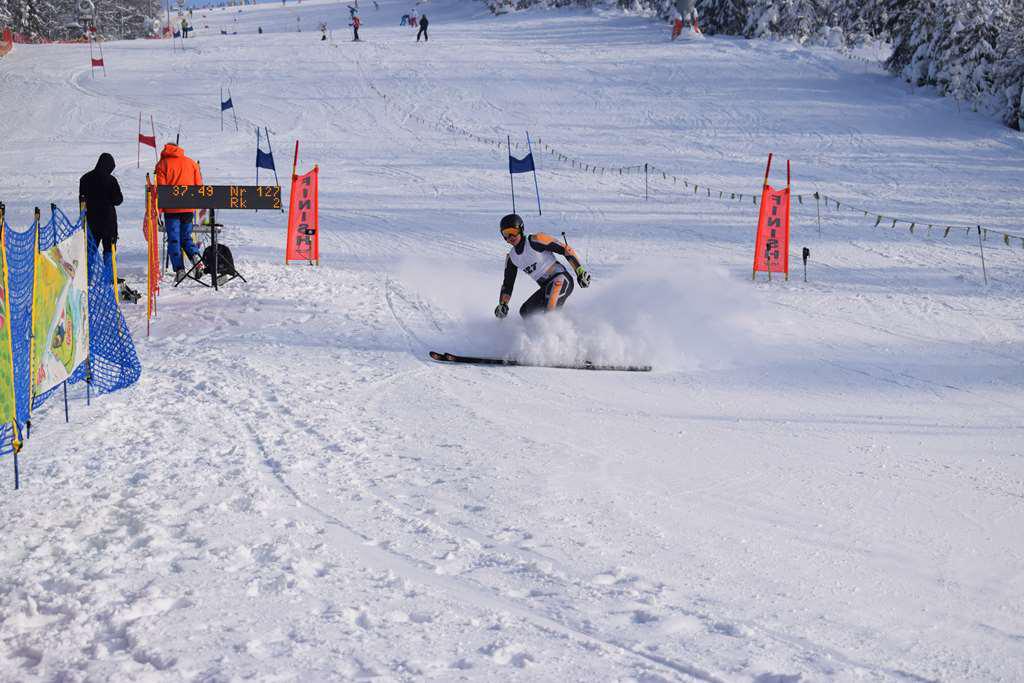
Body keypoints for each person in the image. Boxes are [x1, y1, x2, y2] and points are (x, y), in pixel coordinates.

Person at [494, 213, 590, 320]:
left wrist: (580, 271)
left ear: (521, 229)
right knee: (526, 313)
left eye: (513, 232)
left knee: (551, 308)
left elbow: (565, 249)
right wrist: (503, 304)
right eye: (506, 234)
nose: (510, 237)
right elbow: (508, 285)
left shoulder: (535, 240)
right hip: (546, 288)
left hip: (561, 279)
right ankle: (565, 322)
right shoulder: (512, 258)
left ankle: (557, 328)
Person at [154, 143, 206, 283]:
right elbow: (199, 186)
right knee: (186, 237)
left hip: (171, 209)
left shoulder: (162, 165)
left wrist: (159, 212)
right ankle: (196, 258)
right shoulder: (191, 163)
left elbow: (161, 190)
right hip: (188, 208)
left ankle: (180, 270)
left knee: (174, 239)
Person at [78, 152, 123, 255]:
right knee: (109, 251)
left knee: (90, 252)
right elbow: (118, 200)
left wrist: (83, 218)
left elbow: (82, 201)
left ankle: (90, 266)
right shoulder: (111, 180)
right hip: (108, 222)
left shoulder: (85, 179)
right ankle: (108, 266)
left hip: (91, 221)